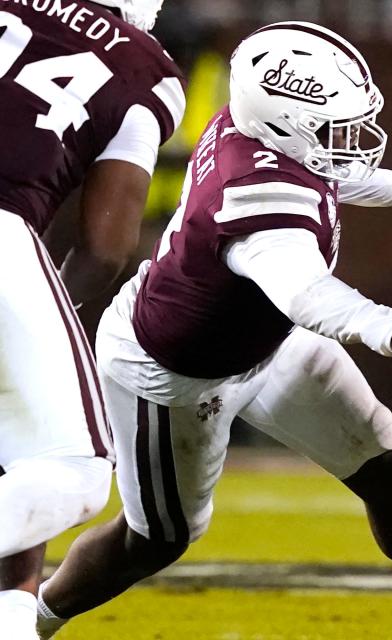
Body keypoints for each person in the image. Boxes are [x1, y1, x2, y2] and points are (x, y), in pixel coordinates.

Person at [35, 22, 392, 640]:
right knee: (156, 541)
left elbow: (330, 174)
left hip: (265, 339)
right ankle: (28, 621)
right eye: (339, 127)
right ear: (284, 123)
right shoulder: (260, 199)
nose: (357, 139)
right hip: (174, 374)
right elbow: (311, 297)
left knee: (385, 466)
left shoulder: (251, 125)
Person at [0, 1, 185, 638]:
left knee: (17, 450)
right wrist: (56, 323)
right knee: (72, 469)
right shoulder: (143, 67)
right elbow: (107, 246)